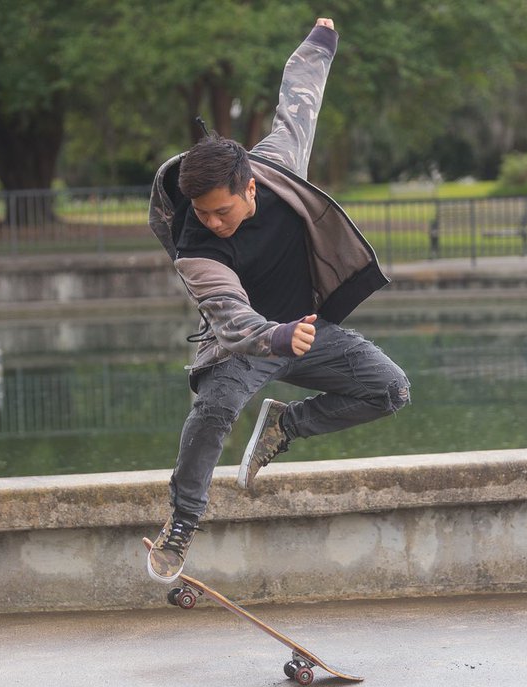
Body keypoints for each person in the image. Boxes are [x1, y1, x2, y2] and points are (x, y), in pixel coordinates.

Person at [145, 17, 410, 583]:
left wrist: (321, 40)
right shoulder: (195, 251)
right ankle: (182, 523)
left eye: (223, 210)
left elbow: (299, 102)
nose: (212, 223)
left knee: (388, 388)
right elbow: (233, 321)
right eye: (201, 213)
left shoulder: (279, 166)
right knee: (214, 409)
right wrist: (276, 336)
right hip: (245, 344)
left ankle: (284, 428)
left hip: (306, 332)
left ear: (251, 187)